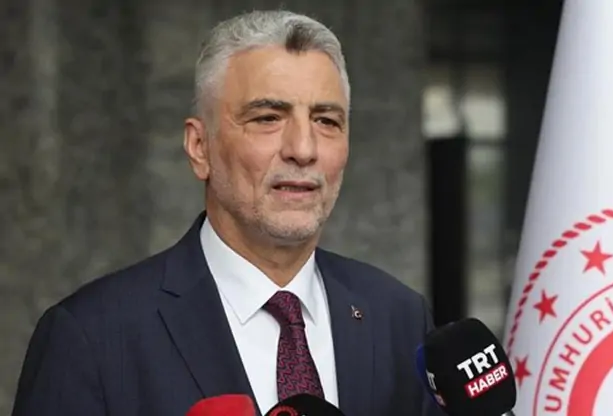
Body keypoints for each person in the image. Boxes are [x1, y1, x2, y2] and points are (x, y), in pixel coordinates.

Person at [11, 10, 445, 416]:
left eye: (326, 121)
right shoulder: (94, 337)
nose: (303, 149)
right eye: (268, 118)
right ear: (199, 148)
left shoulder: (398, 318)